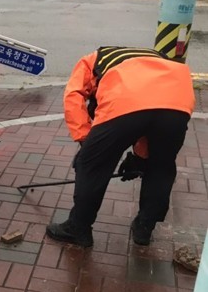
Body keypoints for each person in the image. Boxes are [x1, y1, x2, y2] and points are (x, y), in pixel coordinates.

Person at [45, 46, 195, 248]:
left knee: (92, 165)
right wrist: (141, 157)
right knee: (162, 166)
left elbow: (74, 95)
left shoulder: (90, 61)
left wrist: (86, 141)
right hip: (177, 102)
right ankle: (144, 228)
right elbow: (152, 111)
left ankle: (78, 228)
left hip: (126, 101)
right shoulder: (157, 59)